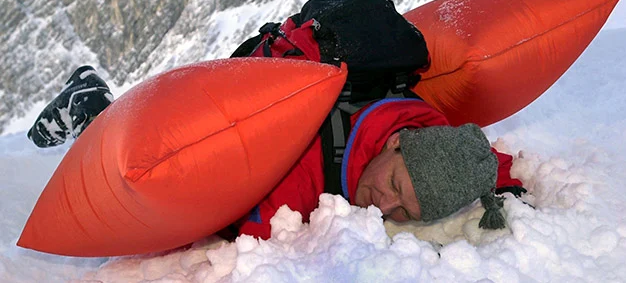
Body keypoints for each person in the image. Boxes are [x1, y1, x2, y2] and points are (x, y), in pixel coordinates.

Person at [27, 65, 524, 240]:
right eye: (394, 186)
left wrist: (502, 184)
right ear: (395, 142)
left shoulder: (423, 129)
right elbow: (231, 224)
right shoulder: (308, 164)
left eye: (405, 211)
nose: (383, 206)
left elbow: (475, 156)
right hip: (228, 121)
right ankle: (94, 110)